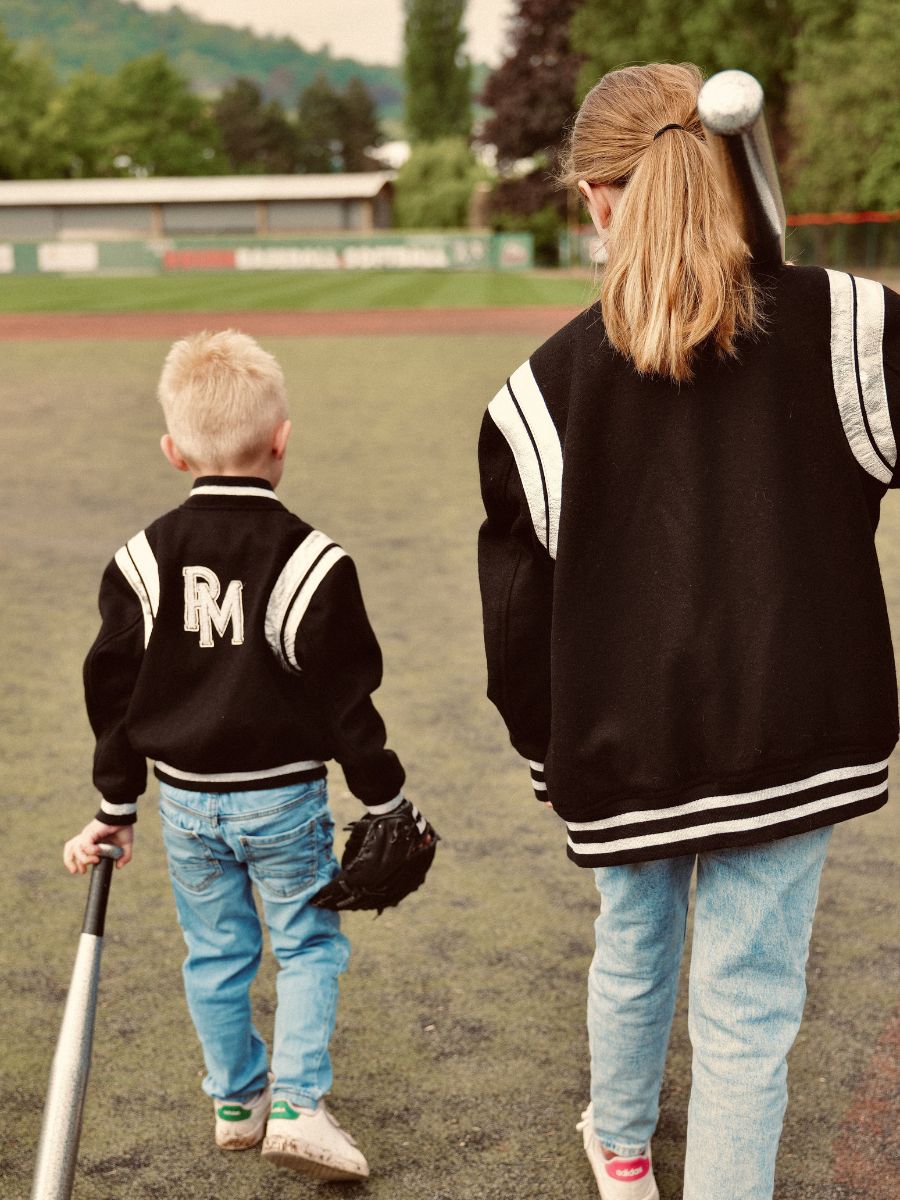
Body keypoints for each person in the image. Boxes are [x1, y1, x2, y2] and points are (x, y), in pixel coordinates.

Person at [477, 62, 899, 1200]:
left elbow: (514, 619)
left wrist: (549, 756)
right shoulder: (851, 324)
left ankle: (620, 1149)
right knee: (749, 1013)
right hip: (795, 733)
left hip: (626, 743)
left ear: (595, 198)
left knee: (634, 944)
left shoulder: (537, 391)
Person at [64, 329, 414, 1182]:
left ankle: (236, 1098)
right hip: (285, 802)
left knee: (216, 951)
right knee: (306, 946)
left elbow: (112, 695)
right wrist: (384, 797)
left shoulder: (138, 561)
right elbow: (347, 703)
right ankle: (295, 1103)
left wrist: (116, 806)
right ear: (282, 438)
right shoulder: (315, 560)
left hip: (184, 804)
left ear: (173, 450)